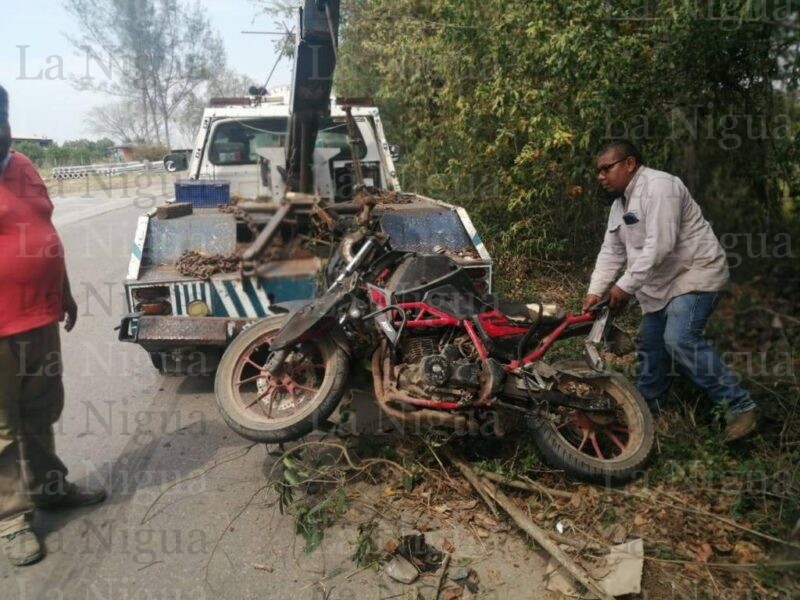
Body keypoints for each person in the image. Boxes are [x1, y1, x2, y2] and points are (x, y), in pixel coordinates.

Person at [582, 139, 757, 442]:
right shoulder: (618, 206)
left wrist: (623, 288)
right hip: (660, 286)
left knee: (678, 339)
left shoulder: (660, 186)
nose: (601, 176)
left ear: (629, 163)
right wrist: (595, 292)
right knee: (651, 346)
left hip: (695, 275)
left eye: (606, 168)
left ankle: (740, 406)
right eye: (598, 171)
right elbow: (612, 252)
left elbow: (659, 245)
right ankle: (649, 414)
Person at [0, 84, 106, 566]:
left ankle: (49, 488)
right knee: (2, 428)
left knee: (41, 411)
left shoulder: (23, 166)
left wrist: (62, 292)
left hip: (39, 317)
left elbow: (44, 230)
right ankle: (10, 521)